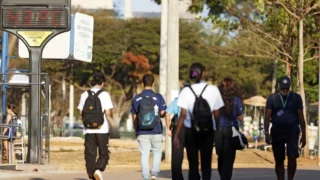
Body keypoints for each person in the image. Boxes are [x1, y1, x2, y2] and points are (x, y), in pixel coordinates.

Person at [174, 62, 224, 180]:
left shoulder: (186, 91)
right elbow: (217, 114)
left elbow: (182, 115)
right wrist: (216, 129)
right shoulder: (213, 90)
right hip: (208, 131)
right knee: (206, 163)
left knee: (193, 165)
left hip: (190, 131)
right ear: (203, 74)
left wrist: (176, 134)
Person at [264, 76, 306, 180]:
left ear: (289, 87)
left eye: (287, 88)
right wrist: (266, 133)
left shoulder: (296, 97)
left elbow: (301, 116)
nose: (285, 90)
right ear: (279, 87)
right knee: (279, 160)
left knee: (292, 157)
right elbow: (267, 116)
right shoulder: (272, 98)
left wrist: (304, 135)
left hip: (292, 132)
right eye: (283, 88)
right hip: (277, 132)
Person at [77, 72, 114, 180]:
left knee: (90, 153)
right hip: (102, 129)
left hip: (88, 129)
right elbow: (107, 113)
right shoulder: (105, 94)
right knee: (104, 153)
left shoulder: (84, 94)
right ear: (103, 83)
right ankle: (98, 169)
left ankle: (91, 175)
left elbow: (81, 113)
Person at [131, 74, 167, 180]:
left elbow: (134, 115)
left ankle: (145, 177)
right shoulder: (158, 97)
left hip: (142, 131)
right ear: (153, 83)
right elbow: (162, 112)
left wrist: (136, 128)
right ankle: (154, 174)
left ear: (142, 83)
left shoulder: (137, 98)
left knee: (144, 154)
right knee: (157, 151)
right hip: (156, 130)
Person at [216, 77, 243, 180]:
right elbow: (240, 117)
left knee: (220, 155)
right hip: (231, 130)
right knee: (229, 157)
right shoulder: (236, 100)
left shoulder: (216, 99)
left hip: (218, 129)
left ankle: (223, 175)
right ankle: (225, 177)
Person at [165, 96, 184, 180]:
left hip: (178, 129)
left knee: (176, 155)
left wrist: (168, 128)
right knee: (192, 156)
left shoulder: (177, 100)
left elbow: (167, 113)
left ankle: (177, 177)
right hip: (191, 129)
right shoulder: (195, 100)